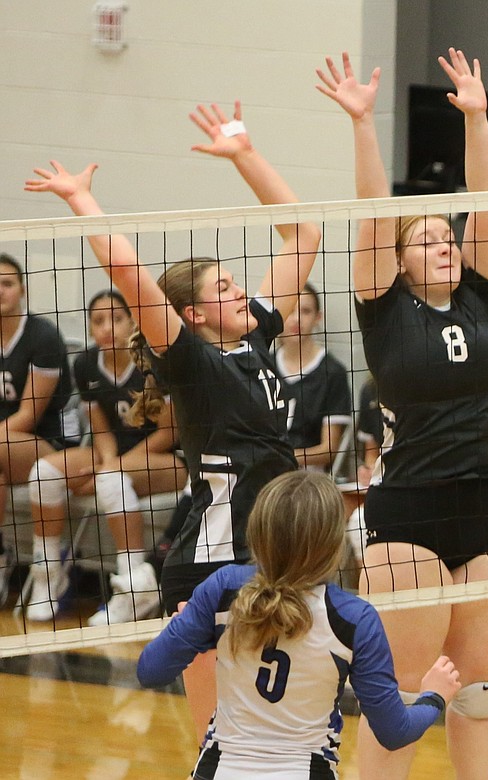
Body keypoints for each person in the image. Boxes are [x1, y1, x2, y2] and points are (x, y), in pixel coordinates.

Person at [26, 101, 321, 739]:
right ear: (190, 316)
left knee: (277, 729)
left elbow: (303, 235)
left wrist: (244, 153)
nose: (239, 291)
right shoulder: (191, 364)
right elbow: (129, 273)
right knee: (220, 736)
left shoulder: (257, 340)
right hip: (214, 562)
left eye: (235, 282)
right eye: (222, 289)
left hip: (274, 552)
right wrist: (82, 200)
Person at [317, 49, 488, 780]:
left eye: (447, 236)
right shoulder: (384, 310)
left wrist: (476, 118)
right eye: (426, 239)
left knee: (480, 694)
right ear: (399, 261)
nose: (443, 244)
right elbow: (375, 212)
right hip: (411, 516)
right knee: (401, 696)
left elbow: (487, 196)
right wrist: (363, 123)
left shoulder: (481, 296)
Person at [137, 470, 461, 779]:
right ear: (333, 544)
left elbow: (151, 671)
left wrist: (181, 632)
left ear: (257, 530)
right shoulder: (354, 617)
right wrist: (433, 696)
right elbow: (394, 732)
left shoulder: (223, 587)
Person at [25, 290, 188, 625]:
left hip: (168, 461)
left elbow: (170, 433)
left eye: (116, 318)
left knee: (112, 480)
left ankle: (133, 590)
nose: (107, 328)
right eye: (98, 321)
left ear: (132, 322)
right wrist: (108, 461)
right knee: (43, 474)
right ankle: (48, 574)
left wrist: (113, 467)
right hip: (113, 457)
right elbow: (101, 431)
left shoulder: (153, 361)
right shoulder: (85, 364)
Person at [0, 253, 76, 614]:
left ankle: (48, 571)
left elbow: (29, 414)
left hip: (51, 446)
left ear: (22, 290)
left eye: (7, 283)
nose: (0, 290)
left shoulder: (42, 335)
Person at [275, 282, 351, 472]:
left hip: (309, 479)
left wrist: (283, 458)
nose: (296, 319)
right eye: (289, 311)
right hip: (265, 476)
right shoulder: (262, 367)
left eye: (305, 311)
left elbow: (329, 449)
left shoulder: (333, 372)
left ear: (318, 317)